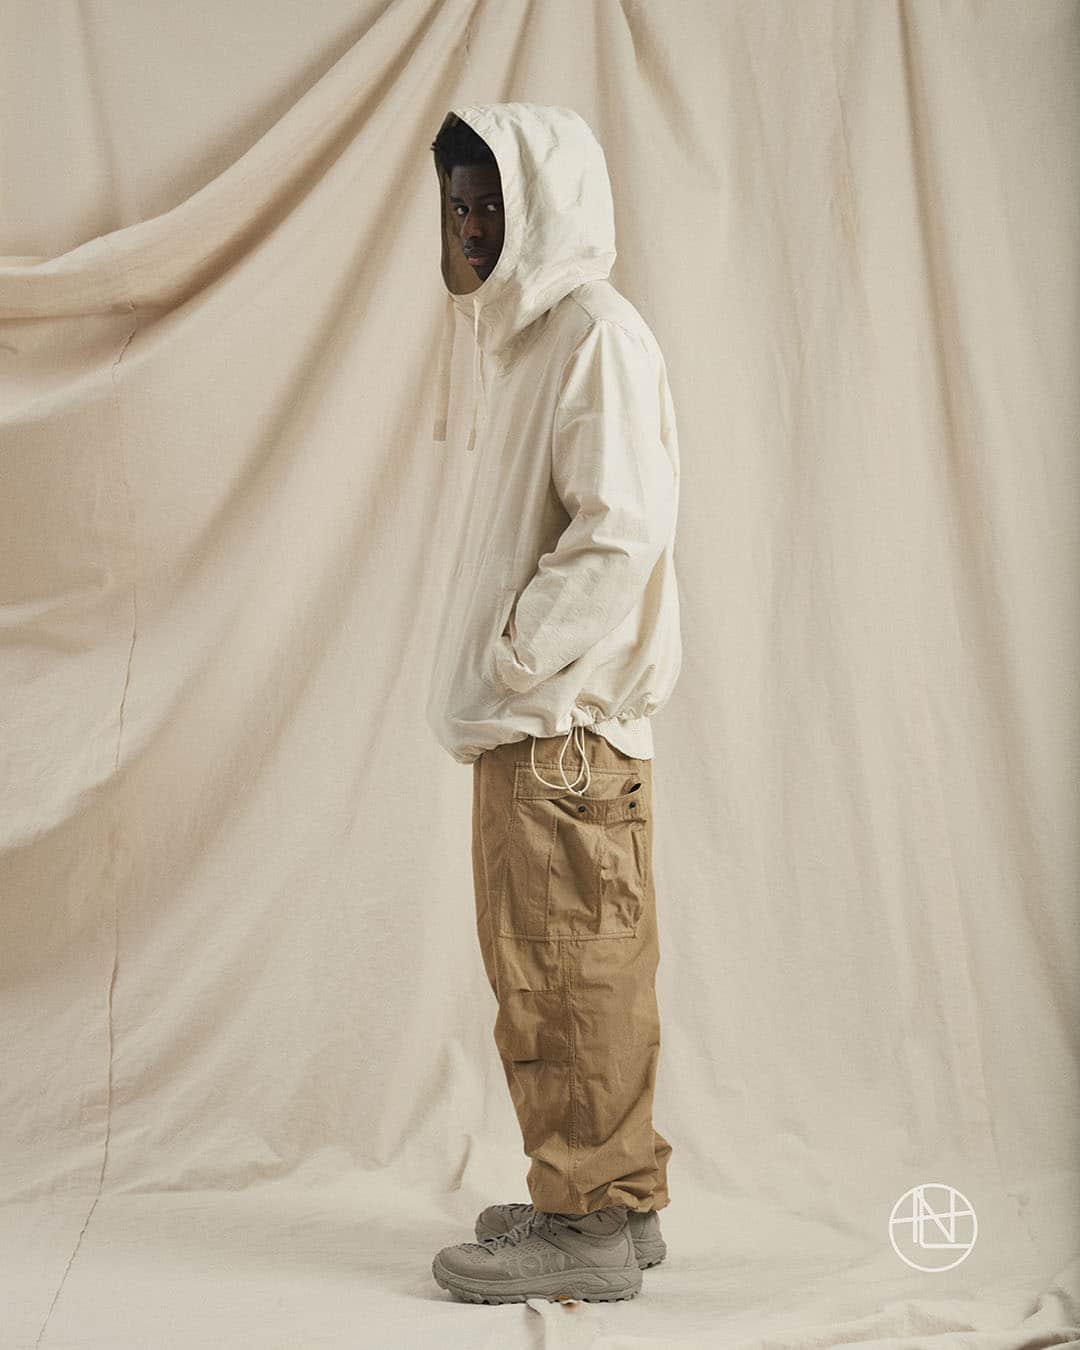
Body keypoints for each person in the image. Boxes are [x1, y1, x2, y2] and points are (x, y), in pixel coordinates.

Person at [425, 103, 682, 1304]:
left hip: (559, 732)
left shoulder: (593, 335)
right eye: (461, 206)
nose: (476, 228)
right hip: (544, 729)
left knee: (565, 974)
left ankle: (587, 1222)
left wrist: (519, 654)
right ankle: (612, 1204)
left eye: (495, 203)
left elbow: (619, 532)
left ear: (547, 201)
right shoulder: (536, 340)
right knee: (574, 969)